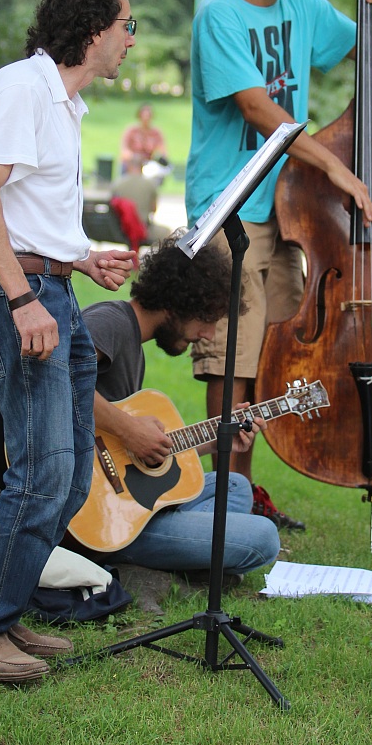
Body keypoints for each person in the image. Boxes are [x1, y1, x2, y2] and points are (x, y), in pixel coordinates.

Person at [185, 0, 372, 528]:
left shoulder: (304, 8)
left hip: (287, 215)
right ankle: (223, 510)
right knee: (233, 362)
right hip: (229, 210)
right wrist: (336, 165)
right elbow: (258, 108)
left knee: (276, 362)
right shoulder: (218, 15)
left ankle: (241, 499)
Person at [0, 0, 138, 683]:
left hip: (52, 291)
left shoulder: (64, 103)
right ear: (93, 30)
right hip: (14, 298)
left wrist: (82, 258)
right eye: (127, 26)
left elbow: (28, 212)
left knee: (67, 477)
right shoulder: (20, 88)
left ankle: (6, 613)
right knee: (40, 471)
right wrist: (24, 299)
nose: (131, 41)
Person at [81, 235, 281, 577]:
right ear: (179, 304)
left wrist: (216, 441)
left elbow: (127, 453)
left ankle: (182, 543)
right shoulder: (110, 322)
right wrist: (129, 429)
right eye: (207, 319)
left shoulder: (131, 343)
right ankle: (160, 552)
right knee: (264, 537)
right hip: (102, 515)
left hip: (131, 502)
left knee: (235, 486)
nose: (207, 334)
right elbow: (58, 384)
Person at [110, 158, 170, 247]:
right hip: (142, 229)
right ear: (142, 167)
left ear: (128, 167)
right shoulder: (150, 184)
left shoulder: (117, 184)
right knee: (167, 232)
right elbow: (153, 209)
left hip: (120, 229)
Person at [120, 103, 168, 173]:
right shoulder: (131, 131)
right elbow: (124, 150)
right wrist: (134, 157)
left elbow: (163, 150)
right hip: (132, 162)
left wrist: (161, 158)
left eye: (148, 116)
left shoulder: (156, 133)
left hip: (148, 163)